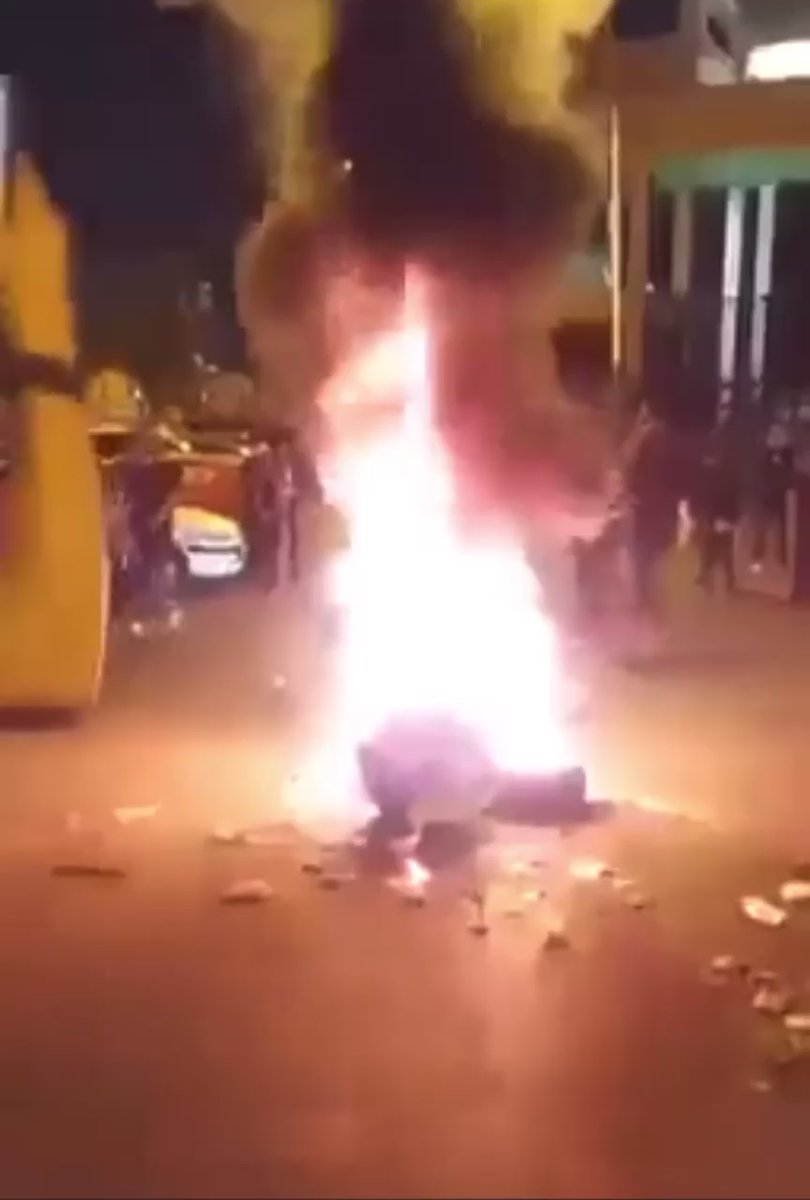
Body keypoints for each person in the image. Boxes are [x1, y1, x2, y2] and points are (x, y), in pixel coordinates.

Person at [623, 408, 696, 621]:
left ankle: (648, 613)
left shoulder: (648, 442)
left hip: (650, 511)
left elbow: (630, 468)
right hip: (661, 512)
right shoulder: (672, 442)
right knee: (648, 566)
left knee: (643, 566)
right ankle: (650, 613)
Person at [119, 425, 183, 633]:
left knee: (160, 565)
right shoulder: (135, 467)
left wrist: (160, 515)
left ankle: (162, 610)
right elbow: (127, 497)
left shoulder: (168, 467)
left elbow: (174, 495)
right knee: (144, 567)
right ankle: (146, 613)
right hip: (141, 522)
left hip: (156, 523)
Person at [691, 438, 740, 594]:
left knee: (712, 547)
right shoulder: (726, 474)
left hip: (714, 516)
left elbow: (703, 496)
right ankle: (725, 580)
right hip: (719, 516)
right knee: (722, 548)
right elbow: (731, 496)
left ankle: (709, 577)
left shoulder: (708, 475)